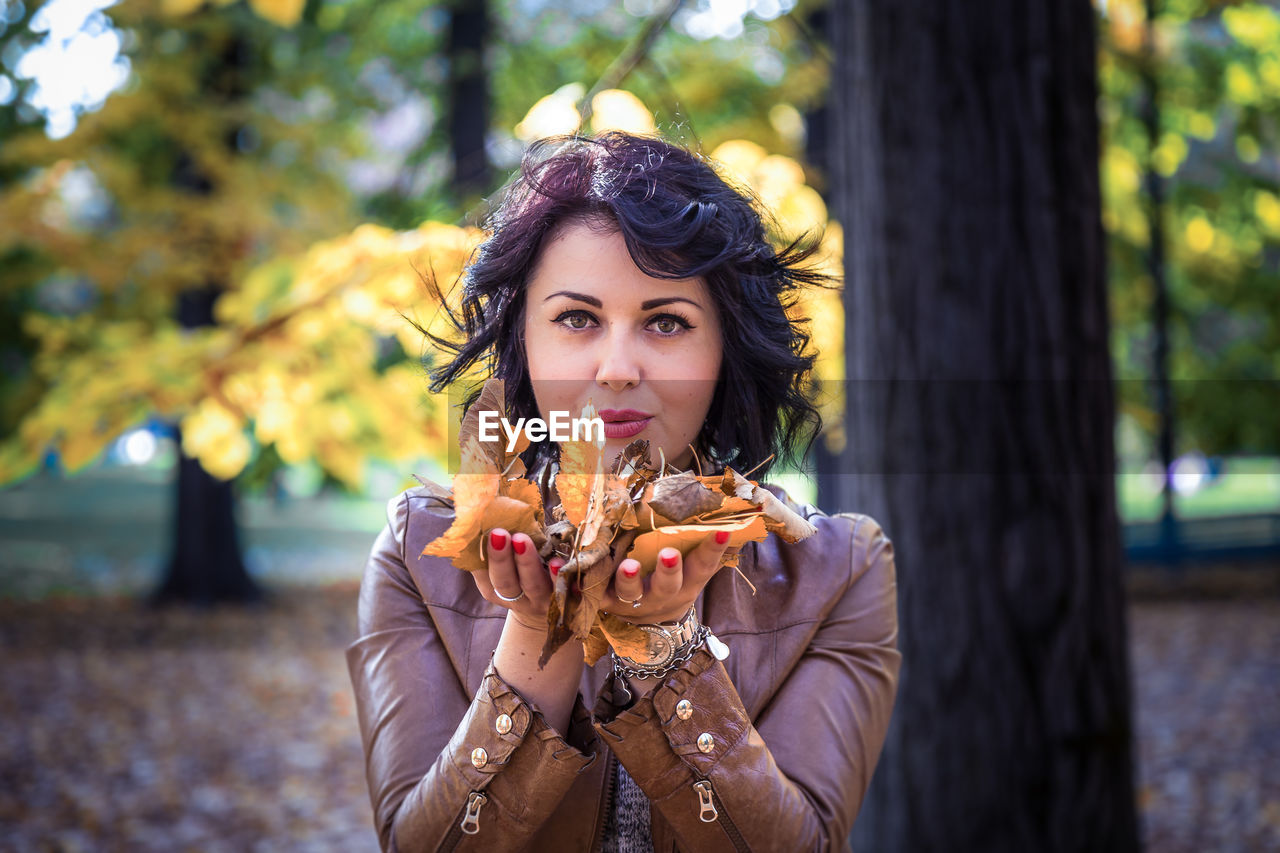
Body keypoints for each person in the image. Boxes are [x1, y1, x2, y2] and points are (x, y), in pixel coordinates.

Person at [345, 131, 900, 853]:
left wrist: (669, 655)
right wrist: (537, 632)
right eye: (577, 318)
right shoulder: (419, 553)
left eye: (666, 321)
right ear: (524, 342)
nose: (616, 366)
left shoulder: (838, 571)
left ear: (725, 349)